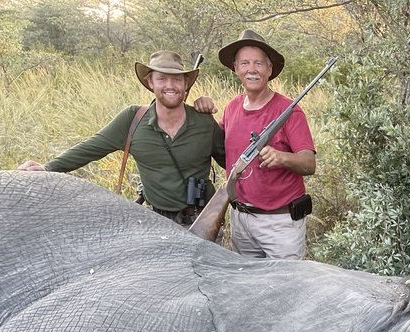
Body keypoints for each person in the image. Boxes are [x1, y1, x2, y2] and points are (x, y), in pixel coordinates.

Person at [19, 51, 225, 227]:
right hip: (156, 220)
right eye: (162, 78)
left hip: (203, 218)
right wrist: (47, 168)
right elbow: (91, 147)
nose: (170, 85)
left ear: (186, 83)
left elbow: (231, 160)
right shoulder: (132, 119)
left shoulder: (204, 121)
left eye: (177, 79)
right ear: (150, 82)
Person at [217, 29, 317, 259]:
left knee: (285, 291)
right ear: (236, 68)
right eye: (245, 63)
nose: (252, 69)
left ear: (269, 70)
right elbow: (220, 150)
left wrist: (283, 157)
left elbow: (309, 163)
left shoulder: (289, 110)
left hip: (280, 226)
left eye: (259, 64)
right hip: (241, 221)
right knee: (249, 289)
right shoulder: (231, 107)